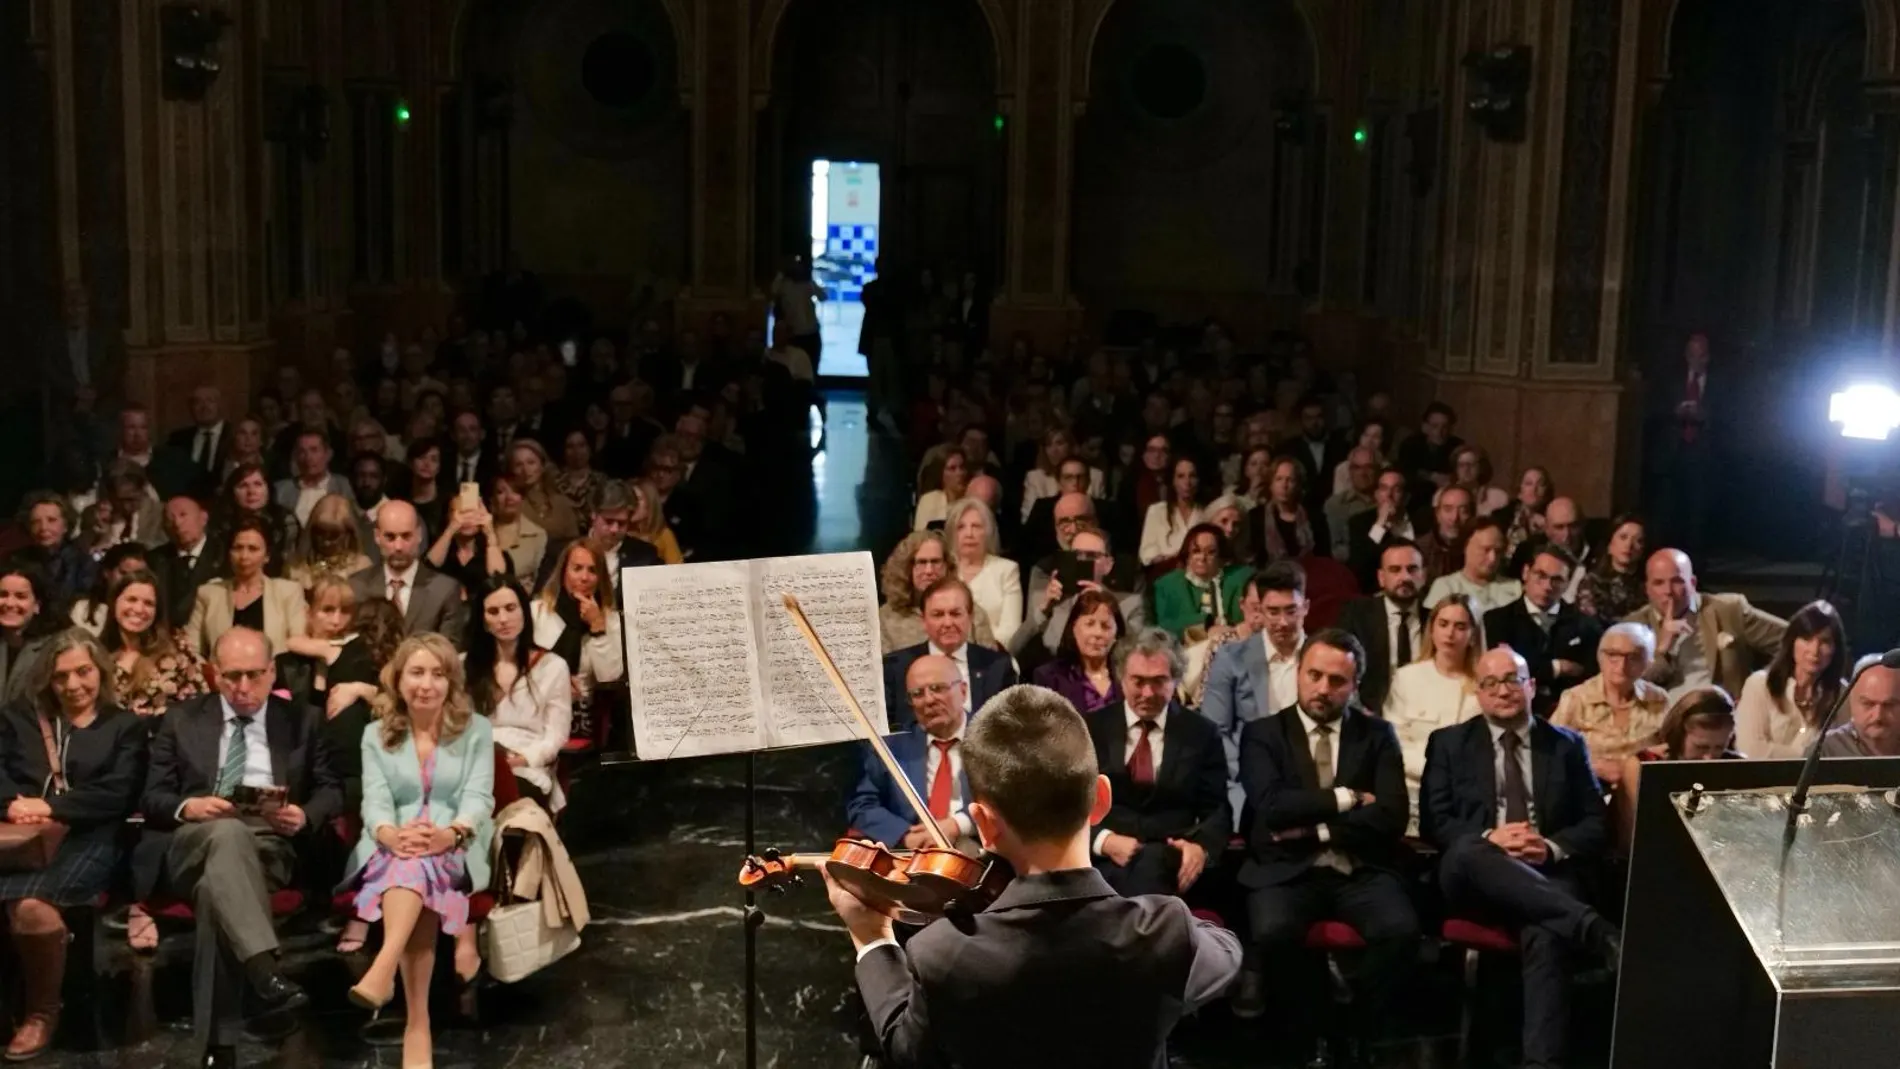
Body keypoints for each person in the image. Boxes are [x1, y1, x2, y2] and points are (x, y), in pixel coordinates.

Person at [825, 684, 1242, 1069]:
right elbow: (1227, 951)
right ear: (1100, 800)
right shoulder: (1165, 933)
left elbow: (905, 1050)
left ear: (983, 825)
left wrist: (872, 936)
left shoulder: (943, 953)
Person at [133, 628, 343, 1054]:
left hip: (270, 844)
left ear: (272, 672)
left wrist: (304, 815)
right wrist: (188, 807)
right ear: (213, 674)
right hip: (191, 841)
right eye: (231, 676)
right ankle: (264, 970)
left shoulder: (303, 721)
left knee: (217, 890)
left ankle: (217, 1043)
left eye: (252, 675)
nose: (242, 688)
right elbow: (151, 796)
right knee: (226, 834)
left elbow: (332, 789)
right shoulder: (182, 719)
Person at [1420, 646, 1620, 1069]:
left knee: (1546, 934)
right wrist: (1493, 838)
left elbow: (1594, 823)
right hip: (1473, 876)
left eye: (1513, 679)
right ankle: (1595, 930)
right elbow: (1436, 822)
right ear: (1478, 693)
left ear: (1531, 685)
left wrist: (1548, 846)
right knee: (1469, 849)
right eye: (1490, 683)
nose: (1503, 691)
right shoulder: (1449, 743)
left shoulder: (1566, 745)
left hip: (1544, 871)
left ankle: (1542, 1064)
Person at [1229, 629, 1416, 1064]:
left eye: (1337, 681)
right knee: (1274, 932)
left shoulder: (1377, 734)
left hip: (1360, 866)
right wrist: (1348, 798)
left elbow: (1391, 815)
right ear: (1298, 673)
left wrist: (1319, 831)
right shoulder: (1263, 734)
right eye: (1314, 675)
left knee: (1401, 931)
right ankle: (1308, 1033)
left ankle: (1352, 1029)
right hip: (1285, 869)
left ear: (1354, 685)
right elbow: (1272, 807)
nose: (1323, 688)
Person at [343, 634, 495, 1069]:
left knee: (417, 865)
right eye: (416, 672)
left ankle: (387, 971)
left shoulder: (476, 730)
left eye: (437, 674)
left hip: (457, 842)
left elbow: (479, 798)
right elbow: (374, 799)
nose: (426, 684)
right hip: (395, 843)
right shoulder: (376, 734)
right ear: (399, 678)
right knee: (409, 865)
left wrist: (452, 833)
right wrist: (389, 833)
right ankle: (418, 1025)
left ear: (451, 682)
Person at [0, 631, 148, 1060]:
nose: (73, 685)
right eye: (61, 676)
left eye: (83, 672)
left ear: (99, 670)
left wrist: (47, 806)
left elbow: (118, 792)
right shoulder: (18, 719)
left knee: (31, 909)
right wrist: (13, 805)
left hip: (93, 838)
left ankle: (41, 1012)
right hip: (20, 838)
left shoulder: (125, 726)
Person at [1084, 629, 1229, 897]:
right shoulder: (1091, 729)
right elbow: (1068, 806)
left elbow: (1217, 810)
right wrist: (1104, 841)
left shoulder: (1201, 733)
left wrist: (1201, 848)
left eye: (1159, 681)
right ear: (1121, 678)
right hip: (1104, 858)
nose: (1148, 693)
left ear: (1175, 680)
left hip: (1172, 857)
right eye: (1138, 681)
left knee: (1151, 869)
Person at [1202, 563, 1309, 822]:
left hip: (1314, 780)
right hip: (1246, 782)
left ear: (1305, 607)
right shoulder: (1231, 658)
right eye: (1273, 611)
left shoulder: (1324, 658)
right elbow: (1214, 731)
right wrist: (1254, 772)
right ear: (1260, 610)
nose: (1282, 622)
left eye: (1291, 611)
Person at [844, 654, 979, 852]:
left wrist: (958, 824)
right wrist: (905, 835)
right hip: (911, 857)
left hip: (975, 848)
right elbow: (861, 805)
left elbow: (1009, 800)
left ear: (963, 691)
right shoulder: (891, 747)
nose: (929, 700)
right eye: (917, 694)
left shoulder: (994, 737)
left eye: (938, 688)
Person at [1625, 548, 1787, 703]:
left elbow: (1794, 639)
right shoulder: (1633, 626)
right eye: (1658, 583)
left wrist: (1758, 686)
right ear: (1647, 589)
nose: (1668, 591)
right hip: (1664, 721)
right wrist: (1662, 649)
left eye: (1677, 581)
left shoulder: (1728, 610)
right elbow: (1628, 685)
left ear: (1692, 583)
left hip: (1723, 718)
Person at [465, 578, 572, 811]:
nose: (503, 619)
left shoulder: (552, 667)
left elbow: (556, 736)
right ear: (483, 620)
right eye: (493, 611)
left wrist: (521, 759)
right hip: (474, 766)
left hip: (527, 768)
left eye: (510, 608)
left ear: (524, 611)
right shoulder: (464, 666)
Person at [1385, 593, 1484, 834]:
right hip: (1412, 790)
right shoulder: (1407, 678)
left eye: (1460, 626)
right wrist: (1437, 771)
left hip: (1465, 795)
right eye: (1443, 624)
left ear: (1473, 634)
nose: (1450, 634)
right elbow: (1394, 742)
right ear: (1432, 629)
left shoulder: (1483, 687)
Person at [1552, 622, 1670, 803]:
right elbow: (1552, 752)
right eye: (1613, 655)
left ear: (1648, 663)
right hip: (1591, 791)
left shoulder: (1659, 699)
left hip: (1644, 793)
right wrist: (1594, 766)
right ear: (1600, 657)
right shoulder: (1576, 698)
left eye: (1633, 657)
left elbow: (1670, 749)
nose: (1621, 665)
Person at [882, 578, 1017, 731]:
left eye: (955, 613)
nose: (948, 623)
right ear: (924, 620)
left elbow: (1010, 731)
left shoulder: (998, 666)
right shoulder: (895, 667)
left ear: (970, 617)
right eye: (938, 614)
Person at [1483, 544, 1602, 717]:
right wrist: (1558, 667)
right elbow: (1504, 673)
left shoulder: (1585, 625)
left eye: (1557, 580)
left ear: (1568, 583)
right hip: (1514, 711)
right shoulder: (1497, 621)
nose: (1547, 586)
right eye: (1541, 575)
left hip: (1571, 715)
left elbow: (1590, 675)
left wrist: (1533, 667)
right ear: (1525, 573)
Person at [1619, 687, 1742, 847]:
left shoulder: (1735, 765)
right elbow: (1638, 839)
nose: (1709, 759)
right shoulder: (1642, 766)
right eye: (1700, 747)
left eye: (1719, 747)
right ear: (1678, 735)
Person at [530, 539, 627, 740]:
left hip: (583, 718)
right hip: (538, 710)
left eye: (592, 570)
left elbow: (609, 676)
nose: (584, 577)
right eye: (577, 569)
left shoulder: (609, 619)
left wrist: (597, 627)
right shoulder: (538, 612)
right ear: (564, 571)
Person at [1015, 522, 1147, 666]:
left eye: (1091, 556)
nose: (1083, 561)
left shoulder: (1131, 604)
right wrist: (1042, 611)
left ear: (1108, 565)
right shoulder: (1048, 601)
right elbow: (1013, 651)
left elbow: (1136, 656)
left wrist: (1110, 607)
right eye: (1076, 555)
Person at [1732, 601, 1846, 759]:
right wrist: (1810, 758)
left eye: (1825, 641)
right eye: (1807, 639)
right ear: (1792, 642)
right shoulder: (1759, 685)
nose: (1814, 650)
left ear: (1835, 649)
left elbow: (1843, 753)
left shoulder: (1842, 693)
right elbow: (1750, 751)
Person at [184, 515, 308, 656]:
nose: (244, 556)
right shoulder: (209, 593)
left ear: (267, 556)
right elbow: (192, 648)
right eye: (238, 548)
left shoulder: (288, 592)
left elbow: (298, 642)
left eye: (253, 549)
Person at [1335, 538, 1429, 714]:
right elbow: (1339, 667)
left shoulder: (1436, 620)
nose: (1405, 577)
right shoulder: (1357, 615)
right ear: (1381, 578)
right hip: (1370, 716)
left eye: (1412, 569)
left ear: (1423, 576)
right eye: (1395, 570)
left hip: (1425, 714)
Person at [351, 501, 468, 640]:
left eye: (406, 536)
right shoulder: (356, 587)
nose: (399, 546)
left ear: (419, 535)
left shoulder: (444, 590)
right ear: (377, 536)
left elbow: (449, 652)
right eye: (390, 537)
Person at [101, 568, 208, 719]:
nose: (139, 609)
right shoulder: (98, 655)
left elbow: (202, 707)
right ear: (114, 603)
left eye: (148, 603)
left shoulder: (177, 652)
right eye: (131, 599)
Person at [877, 532, 997, 653]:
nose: (929, 571)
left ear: (947, 566)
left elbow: (992, 664)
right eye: (922, 562)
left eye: (935, 562)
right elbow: (885, 669)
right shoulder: (885, 618)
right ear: (906, 567)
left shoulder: (972, 612)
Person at [1030, 588, 1126, 715]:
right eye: (1090, 624)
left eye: (1105, 626)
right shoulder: (1049, 678)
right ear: (1074, 629)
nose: (1098, 633)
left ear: (1116, 635)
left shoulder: (1129, 676)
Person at [1151, 523, 1250, 641]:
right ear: (1187, 555)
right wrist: (1206, 627)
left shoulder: (1242, 578)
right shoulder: (1166, 585)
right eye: (1196, 551)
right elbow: (1164, 627)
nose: (1202, 557)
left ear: (1221, 556)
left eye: (1211, 552)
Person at [945, 498, 1023, 646]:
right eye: (961, 527)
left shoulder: (1006, 570)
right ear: (952, 533)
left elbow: (1010, 630)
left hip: (993, 657)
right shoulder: (943, 570)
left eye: (976, 526)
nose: (969, 533)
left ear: (987, 532)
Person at [1423, 516, 1522, 615]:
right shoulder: (1446, 587)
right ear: (1466, 546)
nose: (1493, 558)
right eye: (1486, 550)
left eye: (1498, 551)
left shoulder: (1514, 588)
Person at [212, 463, 301, 572]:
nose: (251, 492)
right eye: (243, 485)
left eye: (258, 484)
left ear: (268, 489)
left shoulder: (285, 520)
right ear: (232, 492)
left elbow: (290, 561)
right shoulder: (221, 524)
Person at [424, 491, 511, 598]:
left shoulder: (494, 553)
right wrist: (451, 529)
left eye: (473, 512)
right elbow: (427, 569)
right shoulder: (441, 551)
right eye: (460, 512)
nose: (467, 519)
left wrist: (490, 533)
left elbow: (499, 579)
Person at [1247, 456, 1329, 565]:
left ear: (1298, 485)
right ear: (1271, 484)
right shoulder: (1256, 517)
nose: (1284, 485)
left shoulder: (1315, 518)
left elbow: (1324, 558)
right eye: (1279, 479)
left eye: (1290, 480)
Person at [1344, 467, 1416, 592]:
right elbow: (1358, 568)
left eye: (1396, 490)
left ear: (1406, 497)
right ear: (1376, 494)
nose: (1389, 495)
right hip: (1377, 593)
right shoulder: (1359, 523)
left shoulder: (1421, 521)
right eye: (1384, 488)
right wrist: (1379, 526)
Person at [16, 493, 94, 607]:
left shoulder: (84, 563)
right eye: (35, 522)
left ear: (66, 525)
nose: (43, 528)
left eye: (51, 520)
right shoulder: (17, 561)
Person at [0, 566, 61, 708]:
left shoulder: (54, 650)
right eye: (3, 595)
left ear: (37, 606)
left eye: (20, 596)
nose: (9, 603)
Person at [1817, 653, 1900, 758]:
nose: (1878, 716)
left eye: (1889, 705)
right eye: (1868, 704)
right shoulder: (1825, 750)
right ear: (1852, 701)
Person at [286, 493, 373, 590]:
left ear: (348, 534)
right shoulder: (296, 568)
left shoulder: (361, 566)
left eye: (334, 536)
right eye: (320, 533)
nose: (326, 542)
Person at [156, 494, 219, 626]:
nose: (177, 524)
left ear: (203, 518)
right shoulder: (155, 560)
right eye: (169, 519)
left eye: (183, 515)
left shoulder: (224, 555)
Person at [272, 430, 352, 527]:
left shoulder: (344, 487)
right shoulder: (281, 490)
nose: (308, 457)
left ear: (328, 454)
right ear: (296, 457)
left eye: (314, 450)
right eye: (302, 452)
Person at [1138, 456, 1207, 568]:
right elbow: (1146, 552)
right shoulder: (1157, 511)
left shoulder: (1206, 514)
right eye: (1181, 476)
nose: (1187, 482)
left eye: (1192, 476)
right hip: (1165, 574)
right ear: (1173, 481)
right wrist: (1170, 559)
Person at [1576, 514, 1647, 623]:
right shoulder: (1591, 582)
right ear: (1610, 544)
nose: (1629, 545)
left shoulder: (1649, 583)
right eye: (1623, 537)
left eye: (1638, 541)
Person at [69, 542, 151, 634]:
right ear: (107, 572)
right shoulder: (83, 609)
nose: (130, 580)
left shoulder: (148, 613)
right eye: (124, 573)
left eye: (138, 575)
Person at [508, 439, 580, 544]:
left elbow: (575, 543)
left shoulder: (562, 504)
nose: (525, 469)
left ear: (542, 466)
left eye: (531, 462)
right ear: (511, 470)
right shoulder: (512, 507)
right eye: (519, 465)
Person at [1395, 401, 1462, 504]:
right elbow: (1405, 471)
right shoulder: (1410, 444)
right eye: (1434, 426)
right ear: (1424, 427)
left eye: (1445, 427)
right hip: (1415, 500)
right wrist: (1432, 477)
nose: (1439, 432)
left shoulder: (1457, 446)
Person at [490, 475, 550, 589]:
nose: (509, 498)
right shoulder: (482, 533)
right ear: (492, 500)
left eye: (515, 492)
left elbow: (541, 582)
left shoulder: (538, 535)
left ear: (522, 498)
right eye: (501, 492)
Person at [1324, 446, 1379, 560]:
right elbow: (1334, 549)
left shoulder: (1388, 501)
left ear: (1378, 470)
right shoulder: (1336, 505)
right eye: (1357, 468)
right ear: (1350, 471)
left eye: (1368, 467)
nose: (1363, 473)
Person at [1415, 485, 1473, 584]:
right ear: (1437, 514)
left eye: (1463, 511)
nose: (1454, 518)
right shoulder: (1418, 550)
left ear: (1473, 515)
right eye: (1448, 509)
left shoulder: (1479, 550)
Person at [1496, 467, 1553, 559]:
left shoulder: (1554, 519)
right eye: (1528, 484)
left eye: (1540, 484)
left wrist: (1548, 528)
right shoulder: (1501, 517)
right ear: (1519, 491)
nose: (1534, 489)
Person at [398, 437, 449, 541]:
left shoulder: (448, 503)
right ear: (410, 462)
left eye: (433, 459)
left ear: (439, 467)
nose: (427, 463)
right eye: (421, 457)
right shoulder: (400, 504)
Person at [911, 446, 970, 531]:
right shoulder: (929, 501)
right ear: (941, 473)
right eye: (952, 468)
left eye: (962, 467)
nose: (960, 473)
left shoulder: (973, 499)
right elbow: (919, 537)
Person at [627, 479, 683, 566]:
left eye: (637, 499)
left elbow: (678, 570)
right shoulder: (620, 534)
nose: (631, 504)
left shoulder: (664, 535)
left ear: (650, 502)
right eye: (628, 499)